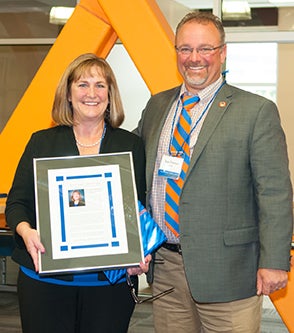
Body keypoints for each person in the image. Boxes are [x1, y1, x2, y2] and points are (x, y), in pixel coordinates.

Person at [134, 12, 293, 333]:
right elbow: (134, 173)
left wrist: (275, 261)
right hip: (166, 269)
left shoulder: (255, 111)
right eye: (185, 49)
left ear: (222, 52)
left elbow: (275, 192)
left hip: (229, 271)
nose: (194, 59)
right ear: (176, 52)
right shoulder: (157, 106)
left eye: (205, 49)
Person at [5, 53, 151, 333]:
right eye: (83, 85)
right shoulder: (42, 142)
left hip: (109, 286)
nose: (91, 93)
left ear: (110, 94)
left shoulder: (130, 145)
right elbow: (17, 203)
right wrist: (26, 231)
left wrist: (141, 251)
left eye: (100, 85)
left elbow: (139, 209)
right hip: (45, 283)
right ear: (68, 93)